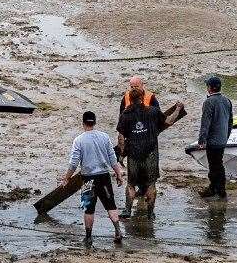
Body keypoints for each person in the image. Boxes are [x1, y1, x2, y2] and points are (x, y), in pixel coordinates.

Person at [66, 110, 125, 246]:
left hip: (88, 179)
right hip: (104, 177)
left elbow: (74, 163)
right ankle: (118, 231)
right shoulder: (104, 137)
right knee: (111, 205)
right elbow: (112, 158)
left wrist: (66, 178)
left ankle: (88, 237)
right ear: (95, 122)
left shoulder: (79, 140)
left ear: (83, 123)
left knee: (88, 208)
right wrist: (119, 174)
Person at [115, 77, 167, 219]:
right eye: (131, 86)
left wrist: (121, 153)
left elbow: (121, 133)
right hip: (148, 149)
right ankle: (150, 213)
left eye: (136, 86)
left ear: (143, 86)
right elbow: (164, 121)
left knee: (132, 183)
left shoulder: (151, 99)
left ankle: (128, 209)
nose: (134, 88)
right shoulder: (150, 110)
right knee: (149, 182)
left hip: (136, 150)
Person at [194, 76, 232, 200]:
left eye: (207, 86)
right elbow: (230, 121)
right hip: (222, 139)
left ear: (210, 88)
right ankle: (219, 190)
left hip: (213, 141)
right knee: (218, 164)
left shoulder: (209, 102)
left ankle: (217, 190)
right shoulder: (227, 100)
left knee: (214, 166)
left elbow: (205, 123)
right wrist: (226, 136)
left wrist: (201, 141)